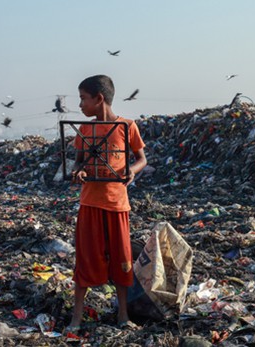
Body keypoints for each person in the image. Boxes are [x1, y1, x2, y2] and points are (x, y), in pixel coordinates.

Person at [66, 75, 147, 332]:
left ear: (99, 99)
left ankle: (123, 315)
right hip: (90, 203)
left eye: (83, 99)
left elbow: (141, 158)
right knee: (86, 259)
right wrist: (78, 171)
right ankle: (76, 318)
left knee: (122, 261)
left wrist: (133, 170)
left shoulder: (127, 126)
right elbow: (78, 162)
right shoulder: (85, 130)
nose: (80, 105)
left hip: (117, 204)